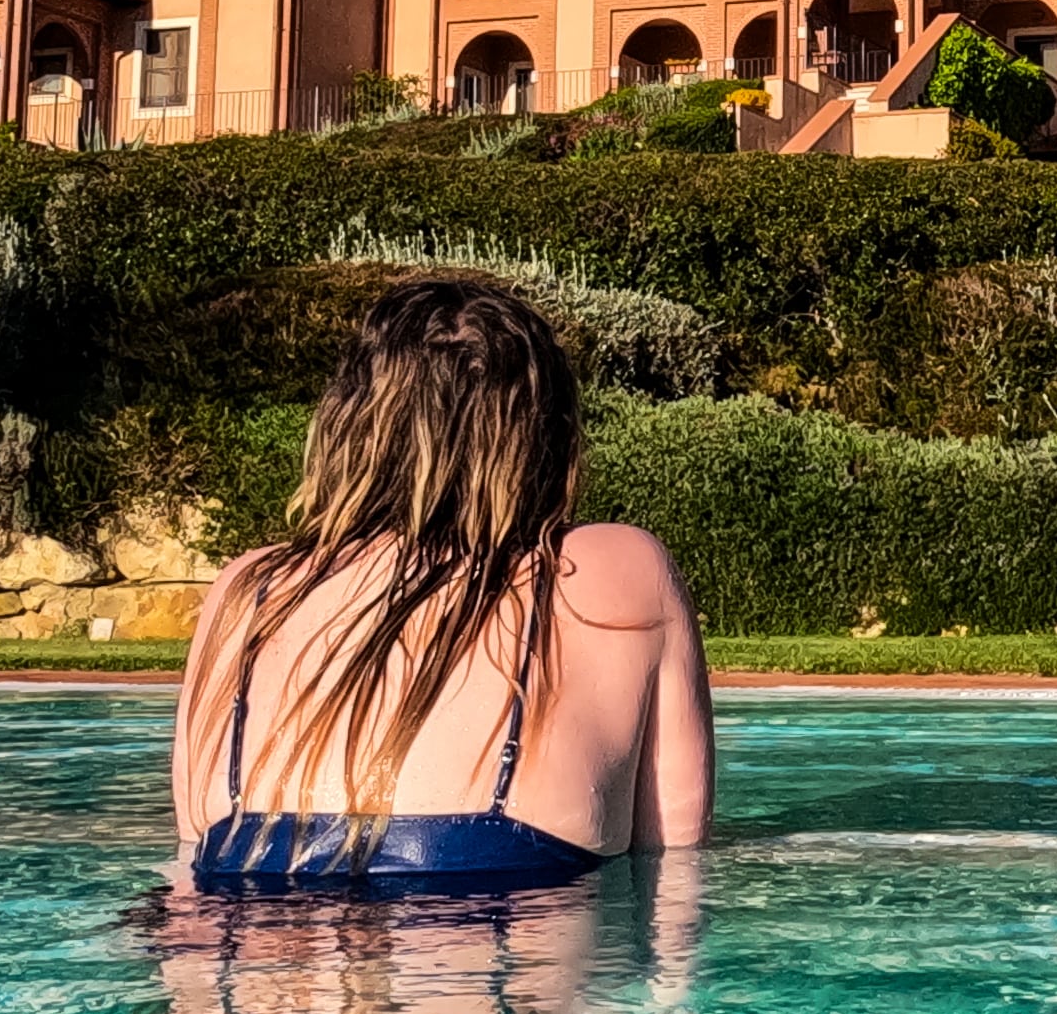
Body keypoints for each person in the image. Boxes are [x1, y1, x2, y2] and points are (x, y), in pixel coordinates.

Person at [171, 274, 712, 892]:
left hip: (238, 955)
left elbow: (191, 844)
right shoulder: (620, 567)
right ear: (546, 431)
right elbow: (675, 869)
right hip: (499, 955)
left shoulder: (252, 587)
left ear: (351, 425)